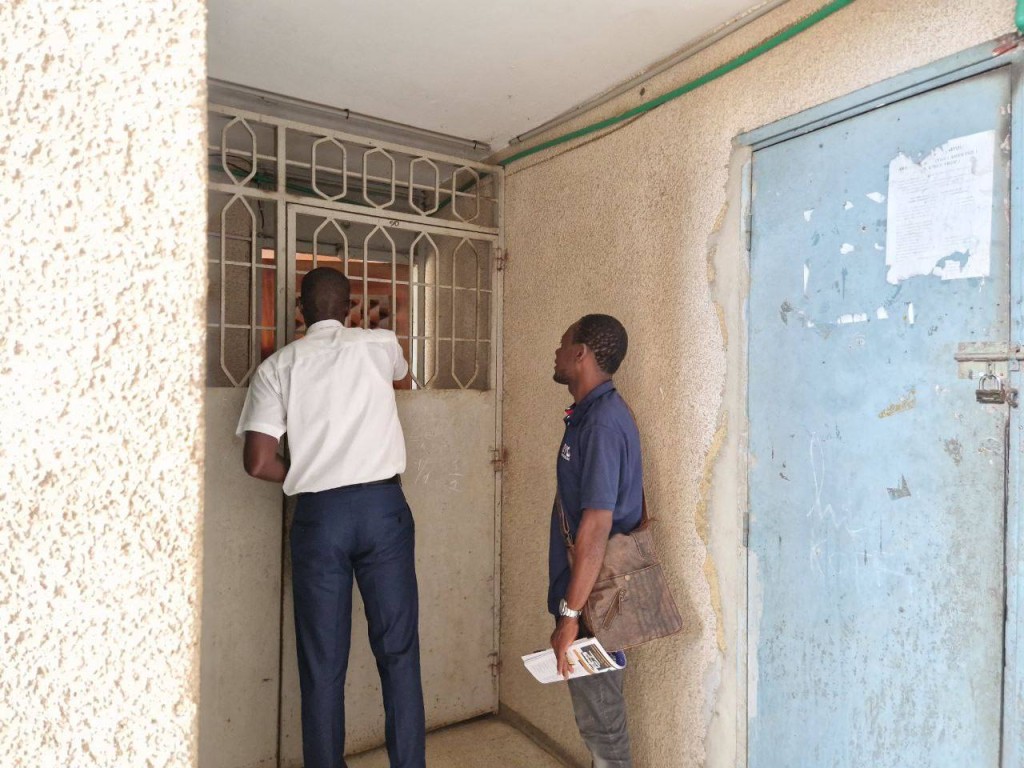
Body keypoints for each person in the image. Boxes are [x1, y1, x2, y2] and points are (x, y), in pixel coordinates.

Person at [237, 267, 425, 768]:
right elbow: (403, 379)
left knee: (322, 664)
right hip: (383, 511)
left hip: (320, 518)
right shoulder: (379, 343)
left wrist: (312, 469)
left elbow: (257, 461)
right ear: (349, 308)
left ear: (300, 310)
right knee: (399, 653)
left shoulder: (278, 367)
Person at [549, 313, 641, 768]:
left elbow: (596, 526)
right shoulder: (590, 415)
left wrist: (570, 616)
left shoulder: (602, 423)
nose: (557, 351)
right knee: (596, 719)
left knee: (602, 727)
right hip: (593, 595)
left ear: (581, 354)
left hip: (597, 602)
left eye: (563, 343)